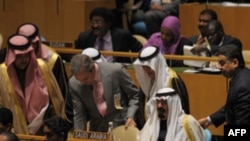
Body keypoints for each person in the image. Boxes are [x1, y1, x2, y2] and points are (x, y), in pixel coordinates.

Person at [0, 34, 66, 135]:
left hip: (43, 125)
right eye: (19, 56)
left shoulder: (42, 67)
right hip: (14, 128)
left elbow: (56, 98)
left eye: (27, 55)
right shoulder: (2, 72)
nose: (24, 60)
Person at [16, 23, 73, 125]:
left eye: (33, 43)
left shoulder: (52, 59)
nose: (30, 48)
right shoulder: (12, 57)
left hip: (45, 111)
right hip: (18, 107)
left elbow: (61, 91)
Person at [69, 54, 139, 132]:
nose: (82, 83)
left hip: (121, 125)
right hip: (97, 129)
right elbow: (79, 113)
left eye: (85, 79)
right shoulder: (74, 84)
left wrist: (130, 116)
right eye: (79, 80)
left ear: (92, 69)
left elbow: (134, 95)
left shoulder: (115, 71)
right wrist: (79, 135)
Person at [133, 46, 190, 124]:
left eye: (149, 67)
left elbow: (181, 109)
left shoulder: (173, 80)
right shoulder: (147, 81)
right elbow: (141, 106)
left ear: (156, 64)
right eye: (144, 67)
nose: (146, 71)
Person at [198, 44, 250, 128]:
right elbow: (231, 106)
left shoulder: (242, 87)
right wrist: (209, 120)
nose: (219, 67)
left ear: (235, 63)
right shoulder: (242, 75)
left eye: (222, 63)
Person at [74, 7, 142, 63]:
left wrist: (135, 65)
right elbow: (75, 55)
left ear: (108, 23)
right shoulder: (84, 37)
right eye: (93, 22)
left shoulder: (123, 36)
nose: (95, 26)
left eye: (99, 22)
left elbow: (140, 49)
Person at [138, 87, 205, 141]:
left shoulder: (188, 123)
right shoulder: (152, 122)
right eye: (157, 102)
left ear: (173, 104)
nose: (159, 106)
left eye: (163, 102)